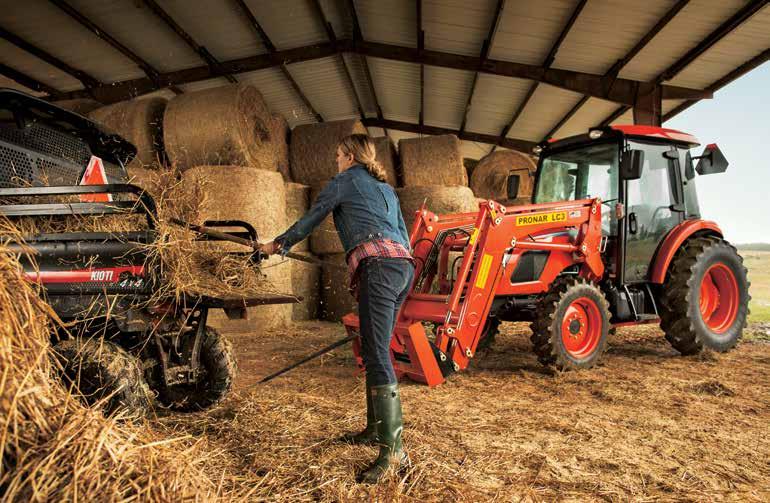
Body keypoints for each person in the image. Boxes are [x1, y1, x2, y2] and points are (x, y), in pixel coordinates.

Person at [260, 134, 414, 483]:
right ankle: (376, 430)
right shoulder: (386, 189)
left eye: (337, 155)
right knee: (377, 350)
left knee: (376, 354)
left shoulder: (344, 181)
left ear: (348, 156)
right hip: (402, 268)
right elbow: (403, 236)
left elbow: (313, 216)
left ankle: (394, 452)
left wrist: (278, 245)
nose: (335, 161)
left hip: (378, 267)